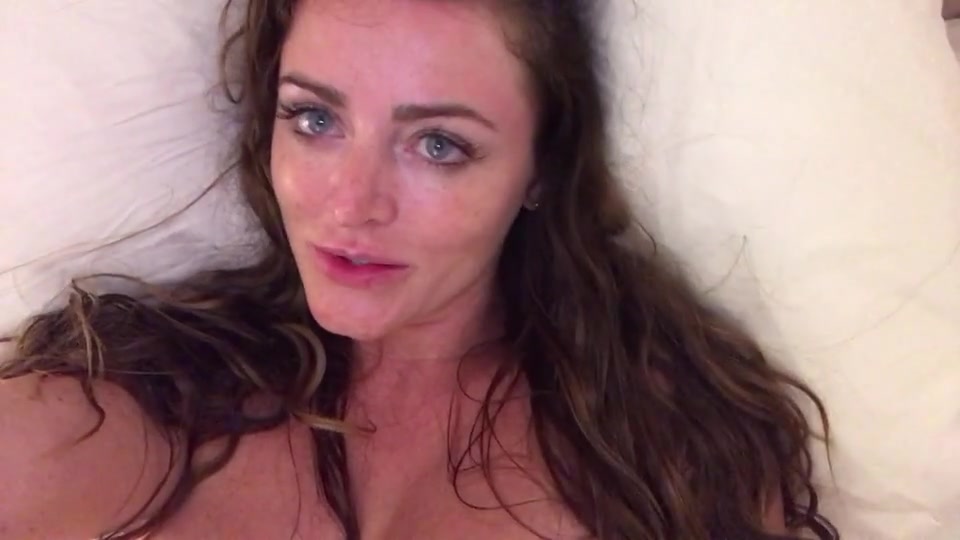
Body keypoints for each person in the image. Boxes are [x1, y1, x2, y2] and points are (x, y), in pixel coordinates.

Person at [0, 1, 839, 539]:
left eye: (439, 144)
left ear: (542, 168)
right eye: (314, 118)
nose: (351, 204)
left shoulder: (664, 453)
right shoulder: (121, 401)